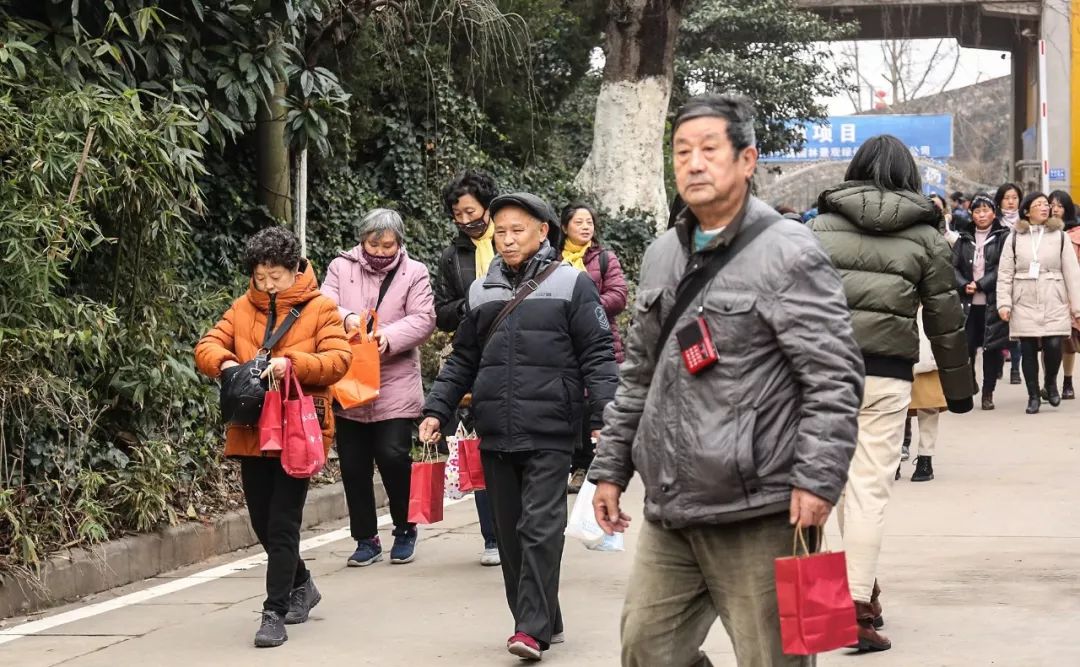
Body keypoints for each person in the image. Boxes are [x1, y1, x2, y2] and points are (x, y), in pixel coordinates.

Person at [589, 93, 865, 667]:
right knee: (646, 651)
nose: (693, 163)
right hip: (672, 506)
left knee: (777, 660)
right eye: (682, 151)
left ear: (747, 160)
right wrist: (610, 469)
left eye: (709, 149)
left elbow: (832, 377)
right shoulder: (662, 254)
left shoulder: (790, 252)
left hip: (761, 508)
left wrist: (817, 480)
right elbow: (639, 373)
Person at [419, 192, 618, 661]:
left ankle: (529, 629)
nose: (507, 240)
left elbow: (598, 356)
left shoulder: (573, 284)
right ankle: (546, 613)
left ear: (543, 231)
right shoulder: (482, 291)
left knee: (540, 527)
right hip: (494, 428)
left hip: (550, 428)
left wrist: (604, 419)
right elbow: (464, 358)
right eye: (501, 231)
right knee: (509, 535)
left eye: (517, 230)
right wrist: (435, 409)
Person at [812, 134, 973, 652]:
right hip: (885, 377)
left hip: (819, 377)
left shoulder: (816, 230)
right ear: (910, 177)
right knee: (867, 490)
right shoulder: (927, 236)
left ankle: (821, 610)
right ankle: (856, 608)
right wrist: (959, 389)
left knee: (819, 490)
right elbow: (946, 319)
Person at [194, 226, 352, 648]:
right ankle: (301, 581)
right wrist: (228, 365)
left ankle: (273, 611)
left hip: (298, 428)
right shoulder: (242, 308)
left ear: (294, 268)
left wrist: (292, 364)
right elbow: (207, 346)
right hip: (251, 427)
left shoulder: (321, 308)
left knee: (283, 522)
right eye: (260, 277)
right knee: (262, 521)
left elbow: (339, 359)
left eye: (275, 276)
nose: (267, 285)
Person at [322, 209, 436, 567]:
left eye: (390, 244)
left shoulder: (414, 272)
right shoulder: (341, 267)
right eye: (375, 243)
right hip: (349, 381)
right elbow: (323, 304)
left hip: (394, 382)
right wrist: (348, 321)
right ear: (362, 239)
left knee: (392, 456)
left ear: (400, 243)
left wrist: (386, 338)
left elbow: (424, 318)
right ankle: (365, 538)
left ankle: (405, 528)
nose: (383, 250)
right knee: (354, 465)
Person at [433, 169, 502, 566]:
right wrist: (472, 304)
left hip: (518, 351)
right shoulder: (452, 257)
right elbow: (441, 312)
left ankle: (523, 528)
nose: (464, 220)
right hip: (474, 354)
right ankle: (491, 536)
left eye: (471, 211)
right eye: (457, 214)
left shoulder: (511, 240)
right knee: (480, 443)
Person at [559, 202, 628, 493]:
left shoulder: (603, 259)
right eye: (579, 222)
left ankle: (589, 464)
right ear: (564, 227)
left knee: (594, 404)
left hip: (599, 340)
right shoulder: (551, 260)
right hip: (563, 344)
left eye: (589, 222)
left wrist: (584, 308)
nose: (586, 227)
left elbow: (619, 295)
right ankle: (574, 463)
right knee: (568, 404)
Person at [996, 192, 1080, 414]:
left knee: (1054, 345)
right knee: (1028, 348)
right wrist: (1004, 304)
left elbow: (1072, 272)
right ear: (1027, 211)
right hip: (1024, 298)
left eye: (1047, 204)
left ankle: (1051, 382)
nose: (1045, 207)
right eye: (1039, 204)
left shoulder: (1060, 236)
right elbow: (1005, 273)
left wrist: (1077, 306)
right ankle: (1033, 395)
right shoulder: (1014, 237)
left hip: (1054, 295)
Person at [953, 193, 1010, 410]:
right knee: (966, 347)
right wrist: (963, 284)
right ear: (971, 213)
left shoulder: (1003, 237)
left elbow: (1003, 267)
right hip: (967, 304)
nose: (982, 214)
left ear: (994, 213)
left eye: (986, 210)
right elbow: (953, 266)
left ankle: (988, 393)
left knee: (991, 350)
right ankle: (971, 380)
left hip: (992, 302)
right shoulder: (964, 237)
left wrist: (981, 284)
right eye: (977, 211)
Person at [907, 312, 946, 483]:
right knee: (891, 406)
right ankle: (892, 459)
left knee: (929, 406)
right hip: (894, 333)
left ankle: (925, 458)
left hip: (927, 329)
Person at [995, 182, 1025, 385]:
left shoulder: (1025, 224)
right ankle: (997, 364)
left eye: (1014, 197)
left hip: (1021, 282)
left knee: (1018, 329)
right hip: (997, 281)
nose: (1011, 201)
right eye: (1007, 197)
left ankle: (1015, 368)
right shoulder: (994, 223)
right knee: (997, 329)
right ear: (1000, 201)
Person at [1051, 190, 1079, 399]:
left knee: (1068, 342)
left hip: (1071, 293)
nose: (1055, 209)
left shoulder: (1076, 234)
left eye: (1060, 205)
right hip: (1047, 293)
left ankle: (1067, 381)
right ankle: (1049, 381)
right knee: (1047, 343)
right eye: (1052, 204)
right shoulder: (1041, 232)